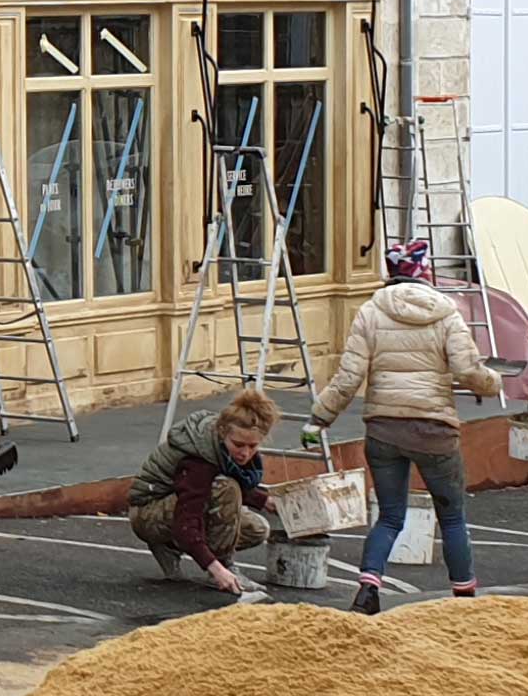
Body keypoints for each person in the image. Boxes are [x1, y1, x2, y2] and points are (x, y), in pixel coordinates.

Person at [306, 239, 503, 614]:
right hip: (435, 431)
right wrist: (493, 383)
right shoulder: (446, 313)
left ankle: (368, 589)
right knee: (452, 517)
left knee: (390, 516)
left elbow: (348, 378)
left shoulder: (370, 311)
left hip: (383, 429)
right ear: (424, 272)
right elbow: (467, 371)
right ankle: (464, 597)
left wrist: (319, 419)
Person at [127, 388, 278, 597]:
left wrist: (265, 501)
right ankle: (221, 565)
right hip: (148, 512)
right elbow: (188, 518)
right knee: (226, 487)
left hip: (176, 501)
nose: (245, 453)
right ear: (223, 433)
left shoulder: (222, 448)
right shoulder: (199, 459)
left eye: (253, 446)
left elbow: (213, 485)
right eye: (238, 445)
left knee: (257, 529)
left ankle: (171, 546)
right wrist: (217, 569)